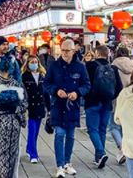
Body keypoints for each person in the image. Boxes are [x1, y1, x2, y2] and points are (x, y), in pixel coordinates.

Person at [44, 38, 91, 178]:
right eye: (62, 50)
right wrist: (55, 90)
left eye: (67, 50)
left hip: (72, 107)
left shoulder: (80, 66)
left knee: (70, 136)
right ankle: (59, 165)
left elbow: (87, 85)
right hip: (57, 106)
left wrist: (78, 93)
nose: (65, 53)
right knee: (59, 135)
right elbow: (46, 83)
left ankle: (67, 163)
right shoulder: (54, 65)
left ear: (74, 50)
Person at [0, 55, 27, 178]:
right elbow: (24, 103)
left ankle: (4, 176)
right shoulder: (17, 84)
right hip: (14, 122)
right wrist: (16, 109)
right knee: (12, 153)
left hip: (0, 123)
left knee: (1, 154)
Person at [85, 45, 117, 168]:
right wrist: (110, 97)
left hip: (92, 103)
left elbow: (85, 83)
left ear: (96, 54)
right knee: (102, 129)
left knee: (92, 129)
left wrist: (87, 96)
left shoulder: (90, 66)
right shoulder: (113, 68)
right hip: (107, 104)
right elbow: (118, 87)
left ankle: (100, 152)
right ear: (108, 54)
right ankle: (99, 158)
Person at [111, 44, 133, 165]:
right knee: (127, 126)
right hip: (132, 98)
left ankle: (122, 148)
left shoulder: (113, 65)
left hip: (117, 98)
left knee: (114, 126)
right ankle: (126, 150)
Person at [22, 53, 48, 163]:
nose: (34, 64)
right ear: (27, 64)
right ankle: (33, 153)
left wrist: (49, 107)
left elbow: (46, 93)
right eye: (31, 62)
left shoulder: (42, 75)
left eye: (36, 62)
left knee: (36, 131)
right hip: (30, 106)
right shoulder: (24, 76)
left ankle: (29, 148)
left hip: (40, 106)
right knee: (32, 130)